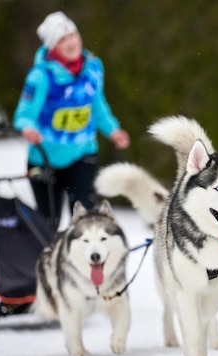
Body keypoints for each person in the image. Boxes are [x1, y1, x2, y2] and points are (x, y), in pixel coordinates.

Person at [13, 11, 130, 230]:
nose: (71, 42)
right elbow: (24, 115)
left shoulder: (93, 68)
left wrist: (113, 130)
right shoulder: (40, 76)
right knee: (49, 223)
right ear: (52, 47)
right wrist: (28, 129)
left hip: (82, 153)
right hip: (44, 159)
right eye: (62, 39)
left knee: (85, 219)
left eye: (73, 35)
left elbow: (97, 106)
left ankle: (85, 264)